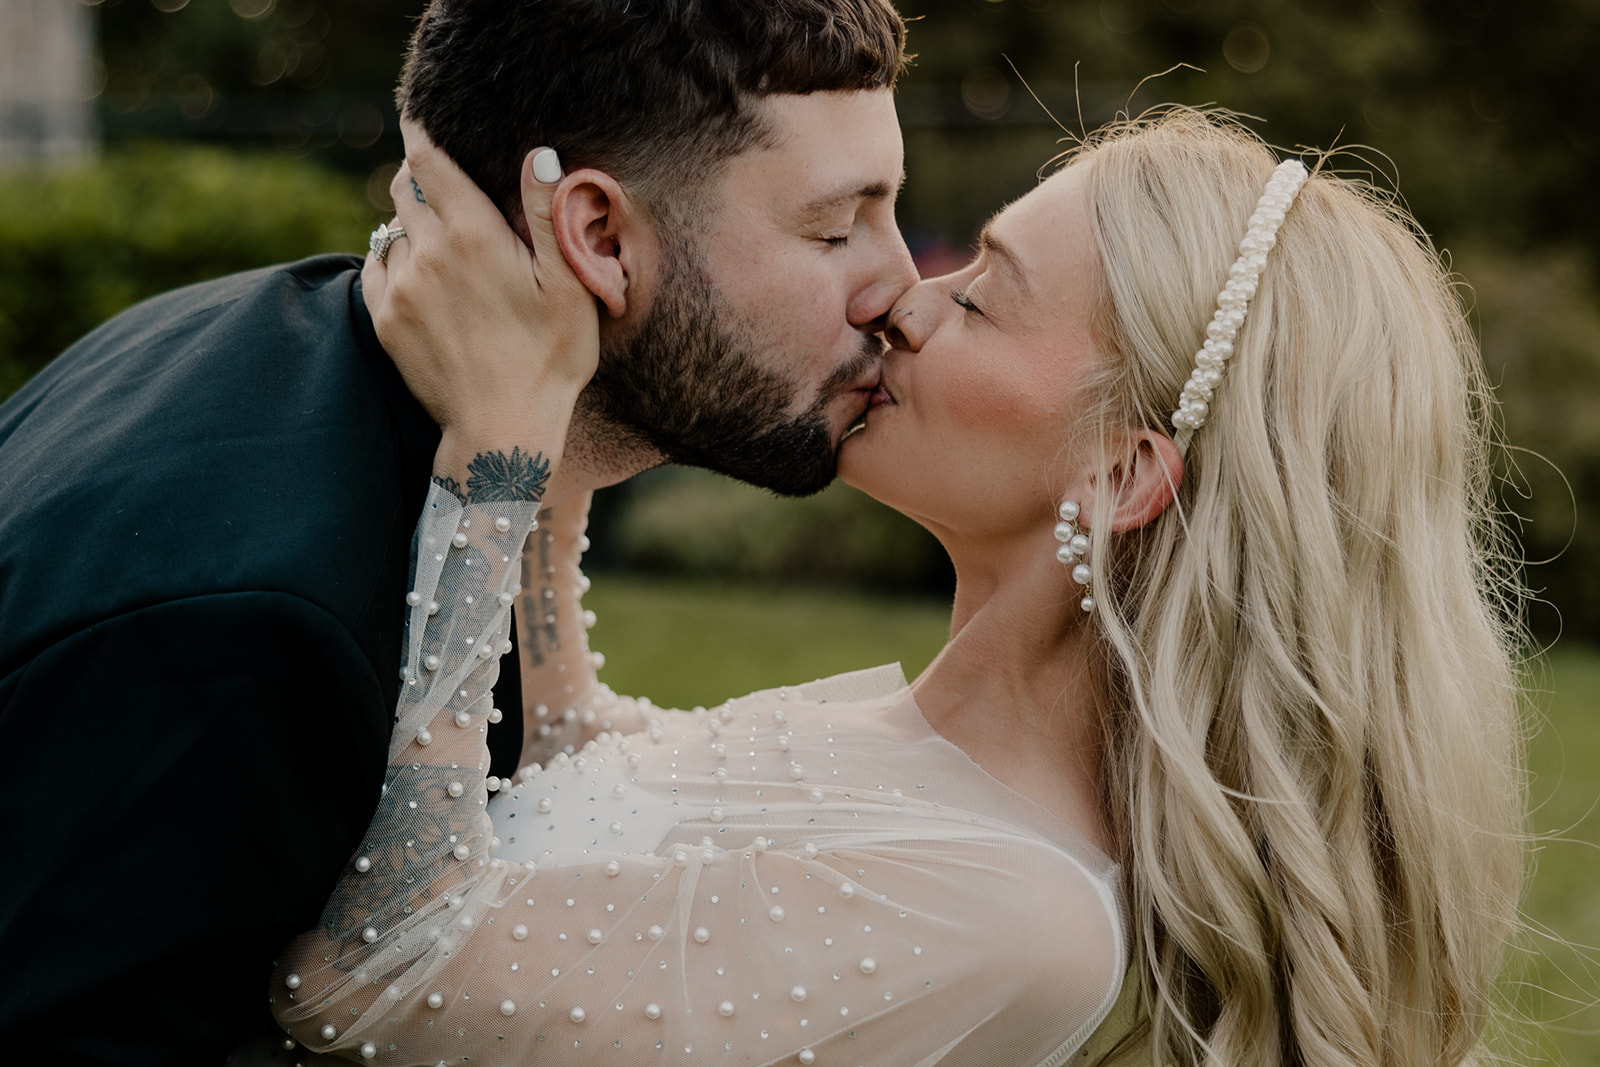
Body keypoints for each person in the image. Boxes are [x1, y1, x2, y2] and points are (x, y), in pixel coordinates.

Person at [268, 107, 1528, 1066]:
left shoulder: (1022, 915)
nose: (901, 305)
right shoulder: (911, 744)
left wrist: (494, 452)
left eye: (979, 295)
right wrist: (578, 391)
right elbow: (569, 767)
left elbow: (366, 977)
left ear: (1120, 471)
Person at [0, 2, 914, 1062]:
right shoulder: (256, 626)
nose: (897, 285)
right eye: (836, 228)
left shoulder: (275, 352)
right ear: (599, 238)